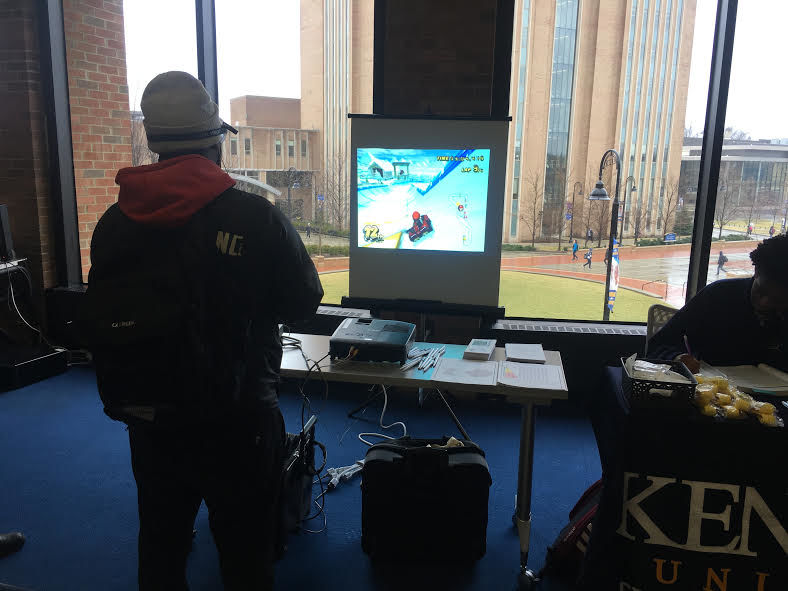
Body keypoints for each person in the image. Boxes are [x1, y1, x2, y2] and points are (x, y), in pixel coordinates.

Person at [88, 72, 323, 590]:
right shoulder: (255, 218)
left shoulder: (114, 222)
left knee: (162, 546)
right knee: (245, 556)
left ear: (153, 143)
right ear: (215, 142)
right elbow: (304, 304)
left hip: (151, 419)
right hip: (238, 418)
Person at [648, 235, 788, 373]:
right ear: (756, 271)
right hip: (712, 390)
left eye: (779, 300)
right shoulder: (718, 295)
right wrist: (678, 358)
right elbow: (659, 344)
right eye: (761, 291)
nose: (765, 303)